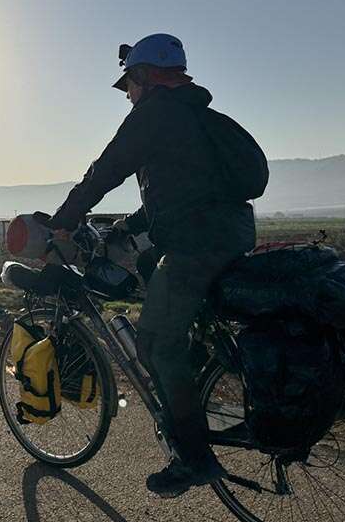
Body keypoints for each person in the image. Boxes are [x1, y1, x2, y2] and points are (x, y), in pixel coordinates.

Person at [48, 33, 258, 497]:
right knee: (148, 265)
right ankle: (197, 380)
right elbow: (188, 190)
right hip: (234, 235)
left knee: (156, 346)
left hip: (196, 247)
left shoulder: (154, 115)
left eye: (128, 85)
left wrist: (64, 220)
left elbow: (105, 171)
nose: (128, 96)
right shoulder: (198, 116)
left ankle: (194, 459)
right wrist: (131, 224)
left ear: (144, 76)